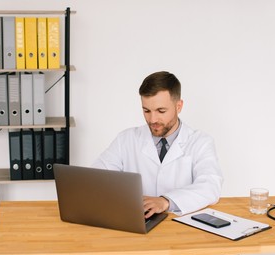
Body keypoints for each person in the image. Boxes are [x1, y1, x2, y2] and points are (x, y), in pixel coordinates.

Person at [93, 71, 223, 219]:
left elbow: (210, 187)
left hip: (180, 226)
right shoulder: (126, 139)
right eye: (146, 110)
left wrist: (166, 201)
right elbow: (96, 178)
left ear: (179, 106)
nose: (152, 119)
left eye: (161, 111)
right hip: (137, 222)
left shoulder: (200, 142)